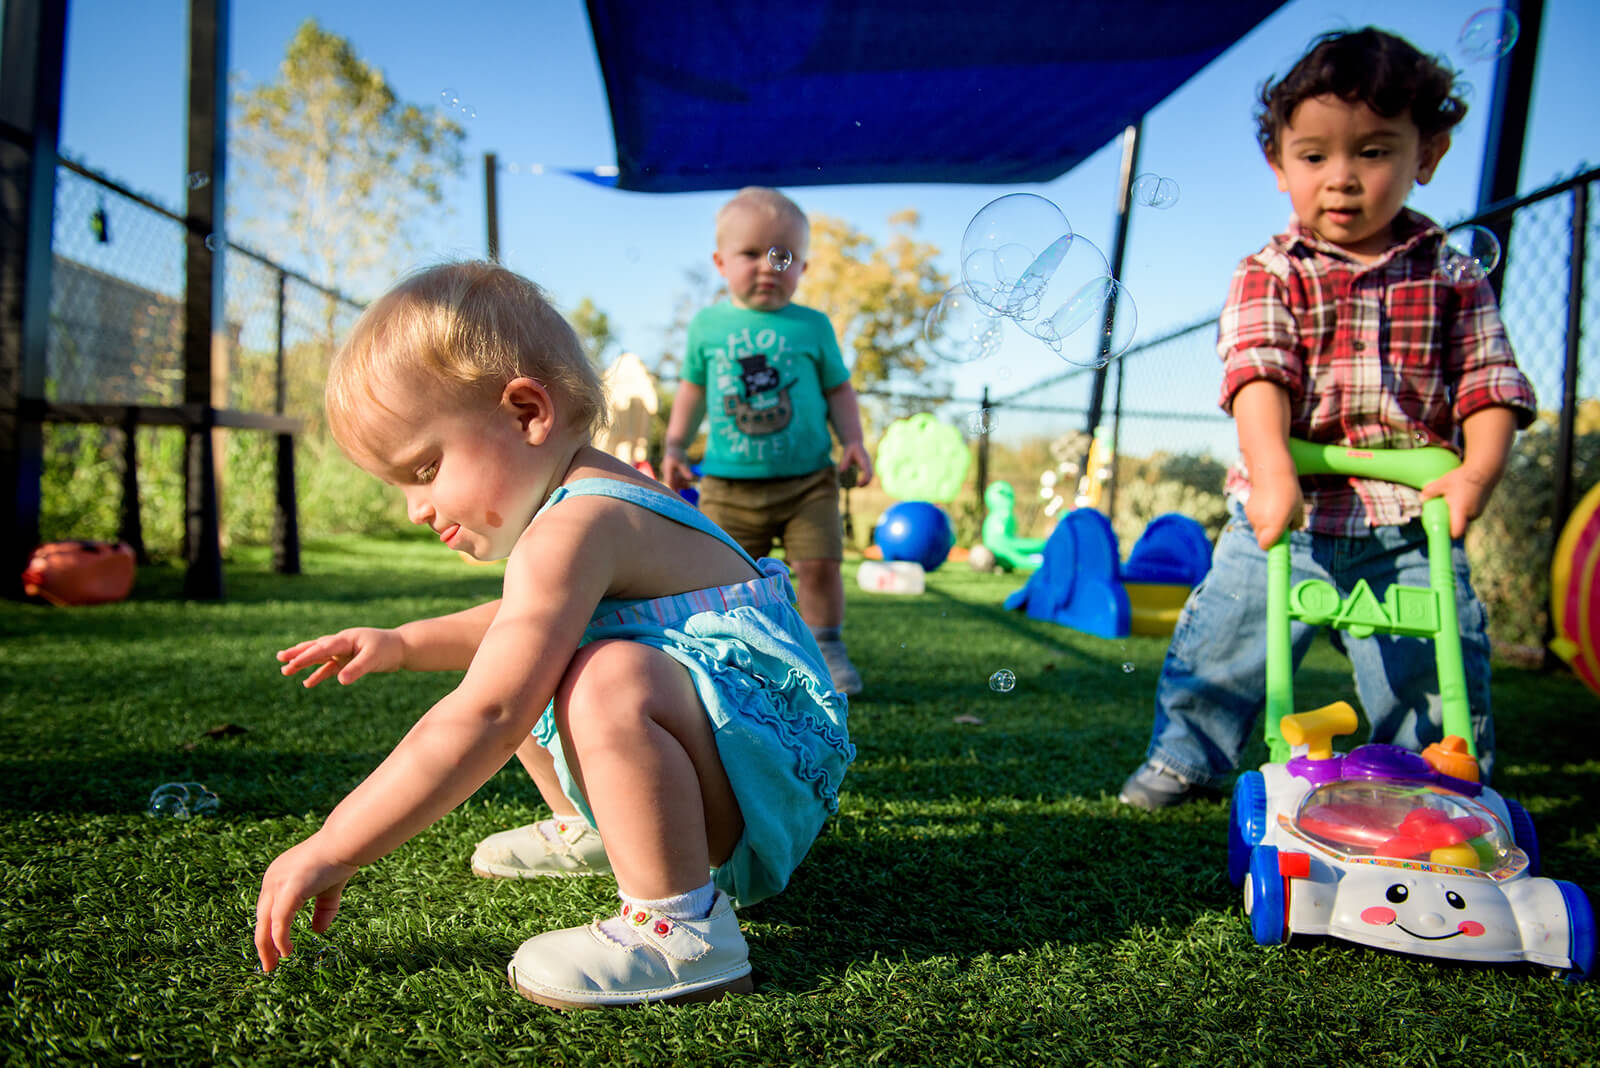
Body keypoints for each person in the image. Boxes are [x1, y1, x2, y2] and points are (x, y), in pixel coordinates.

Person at [255, 262, 855, 1009]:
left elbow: (489, 713)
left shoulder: (578, 522)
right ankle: (596, 828)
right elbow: (515, 625)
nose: (416, 508)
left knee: (597, 678)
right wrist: (404, 642)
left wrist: (337, 844)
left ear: (526, 412)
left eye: (427, 467)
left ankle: (681, 930)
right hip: (752, 760)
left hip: (765, 783)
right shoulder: (581, 500)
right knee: (532, 654)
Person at [1118, 27, 1536, 810]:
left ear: (1428, 154)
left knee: (1428, 665)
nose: (1341, 178)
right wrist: (1274, 471)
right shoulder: (1270, 273)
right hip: (1288, 515)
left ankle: (1432, 781)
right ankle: (1187, 757)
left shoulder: (1452, 275)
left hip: (1410, 522)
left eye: (1373, 152)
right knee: (1226, 639)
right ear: (1280, 166)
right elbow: (1256, 375)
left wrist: (1476, 473)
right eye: (1314, 156)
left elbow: (1490, 383)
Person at [660, 187, 873, 697]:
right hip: (728, 486)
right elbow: (692, 390)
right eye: (751, 253)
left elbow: (838, 389)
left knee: (820, 567)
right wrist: (674, 446)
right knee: (724, 578)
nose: (767, 267)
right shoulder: (708, 326)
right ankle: (731, 656)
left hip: (808, 482)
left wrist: (854, 440)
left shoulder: (812, 326)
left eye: (784, 256)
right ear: (720, 262)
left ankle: (826, 648)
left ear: (804, 267)